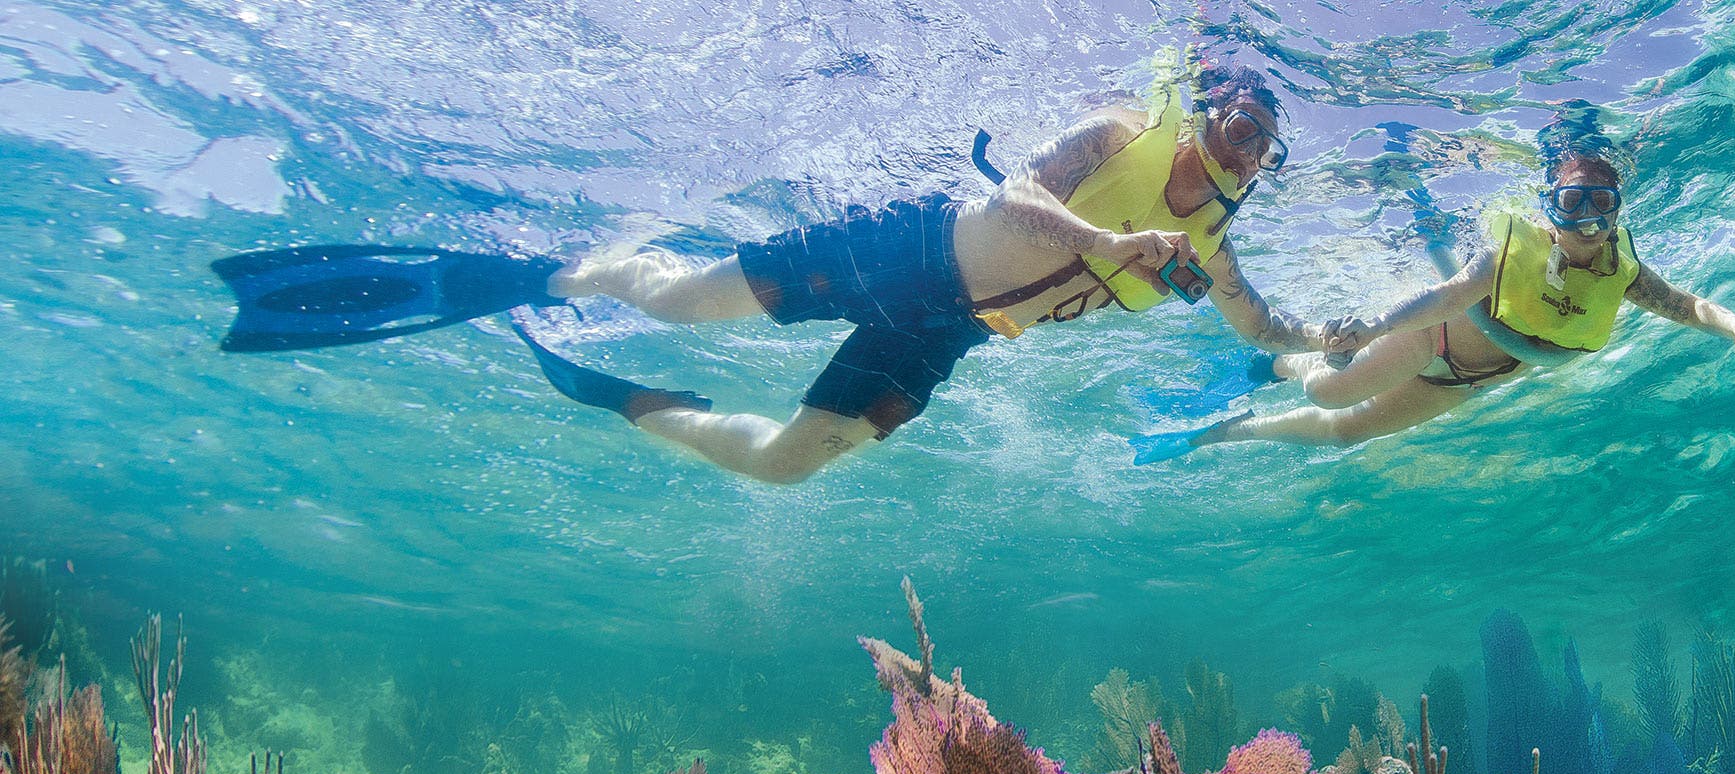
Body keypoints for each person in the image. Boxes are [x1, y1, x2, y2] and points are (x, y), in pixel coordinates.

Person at [213, 63, 1329, 486]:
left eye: (1260, 149)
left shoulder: (1215, 248)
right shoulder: (1117, 131)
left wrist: (1337, 340)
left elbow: (1261, 326)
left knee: (789, 467)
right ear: (1203, 108)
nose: (1241, 155)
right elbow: (1008, 198)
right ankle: (558, 276)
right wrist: (1105, 244)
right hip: (907, 245)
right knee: (688, 300)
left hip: (943, 335)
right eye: (1237, 126)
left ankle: (646, 406)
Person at [1131, 110, 1735, 460]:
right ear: (1548, 206)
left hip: (1467, 382)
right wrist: (1374, 329)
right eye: (1571, 202)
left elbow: (1683, 305)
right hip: (1429, 341)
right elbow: (1445, 296)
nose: (1585, 221)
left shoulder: (1624, 274)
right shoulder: (1513, 251)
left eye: (1600, 203)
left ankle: (1223, 435)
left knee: (1346, 435)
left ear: (1618, 209)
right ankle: (1270, 364)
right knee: (1328, 392)